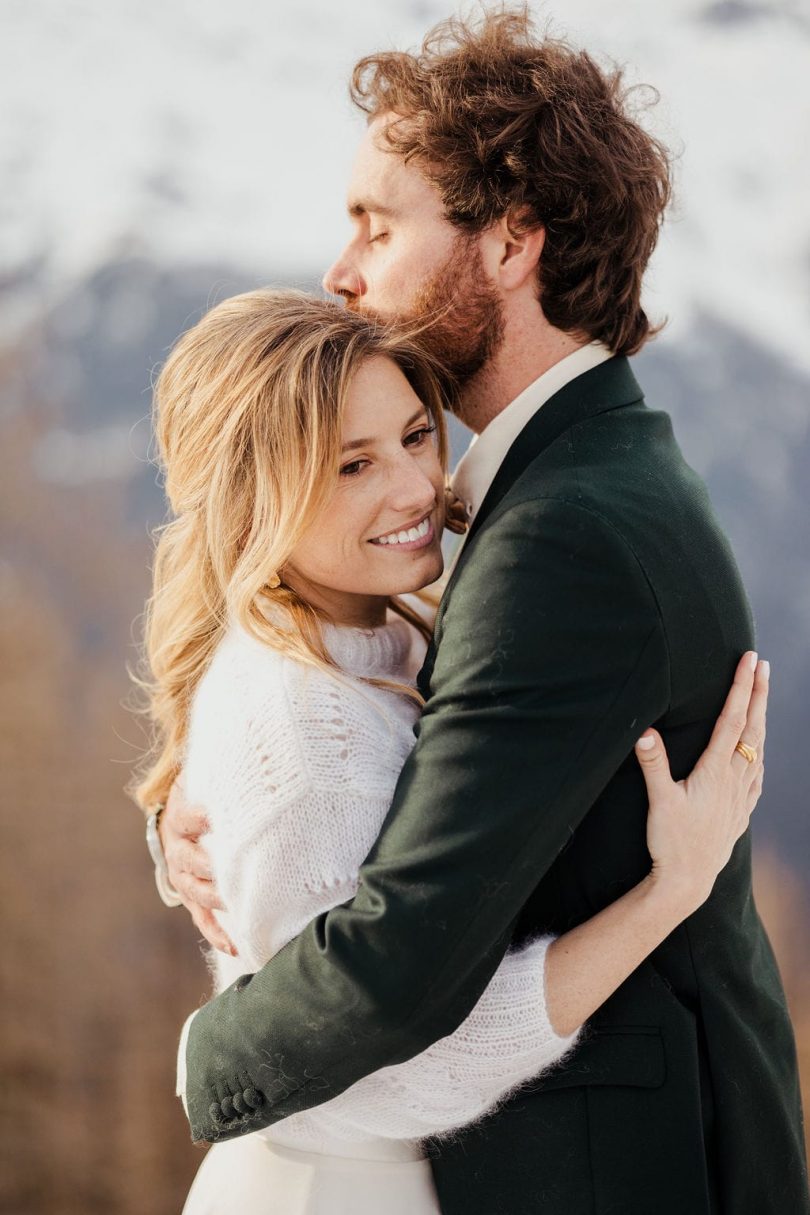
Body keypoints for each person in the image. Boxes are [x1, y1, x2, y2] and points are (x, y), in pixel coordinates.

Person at [153, 11, 809, 1214]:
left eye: (377, 222)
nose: (343, 269)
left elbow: (403, 952)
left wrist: (209, 1062)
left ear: (510, 241)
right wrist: (214, 814)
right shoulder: (588, 469)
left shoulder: (561, 532)